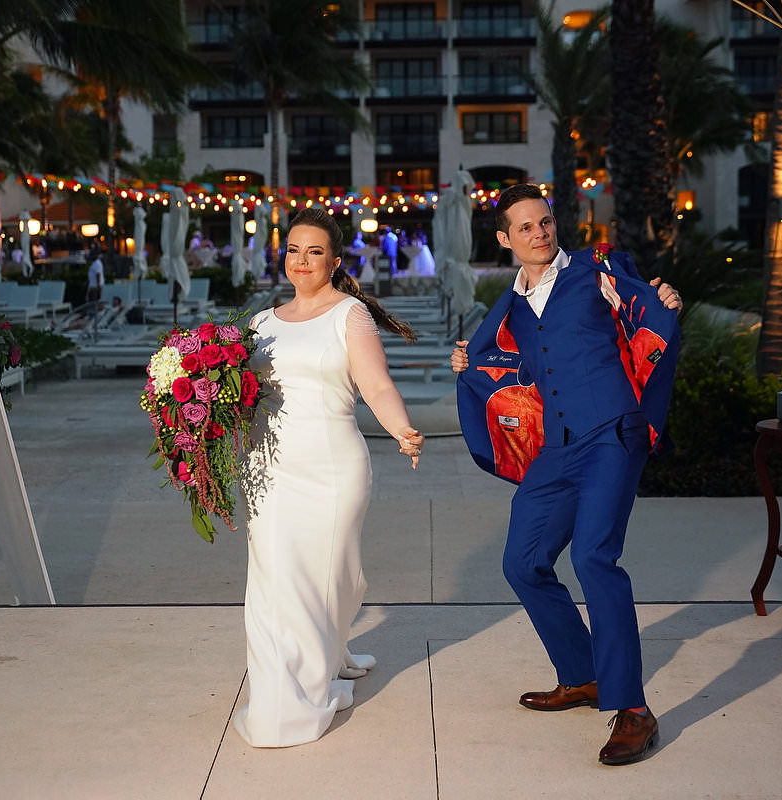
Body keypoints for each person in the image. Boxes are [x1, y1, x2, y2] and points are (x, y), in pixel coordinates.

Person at [450, 184, 682, 766]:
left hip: (611, 432)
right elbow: (511, 363)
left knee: (593, 558)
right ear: (505, 240)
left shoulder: (595, 271)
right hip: (557, 447)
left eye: (546, 222)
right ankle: (583, 676)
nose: (540, 233)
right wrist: (468, 362)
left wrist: (666, 300)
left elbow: (645, 307)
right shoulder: (511, 306)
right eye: (525, 227)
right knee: (522, 563)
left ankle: (633, 709)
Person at [235, 207, 425, 748]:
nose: (301, 260)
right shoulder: (258, 325)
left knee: (332, 574)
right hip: (267, 468)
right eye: (294, 249)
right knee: (274, 584)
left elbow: (377, 386)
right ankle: (282, 700)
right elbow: (239, 399)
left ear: (334, 261)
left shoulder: (350, 315)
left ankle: (329, 649)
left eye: (314, 251)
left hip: (332, 467)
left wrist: (401, 428)